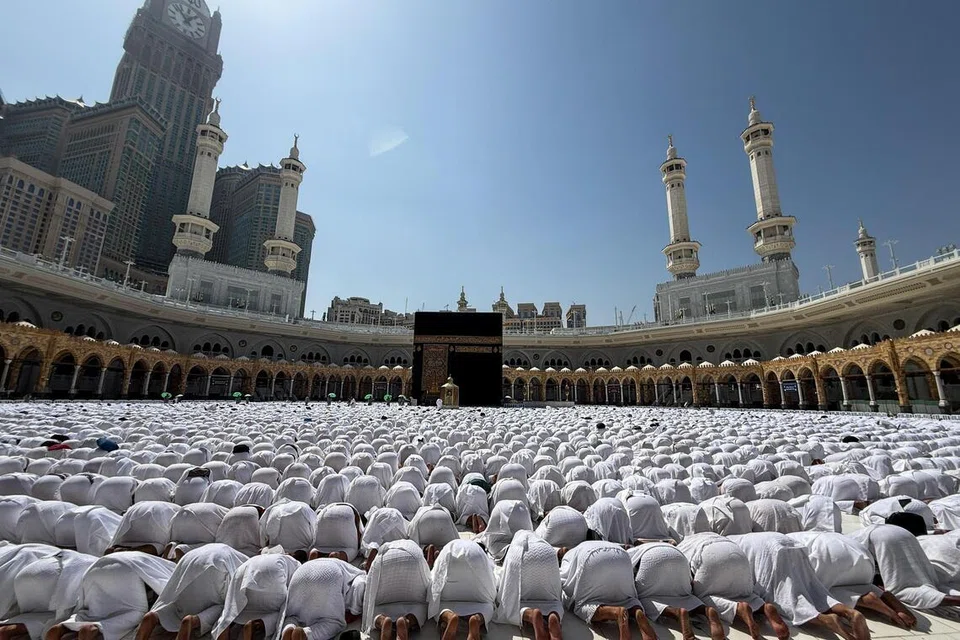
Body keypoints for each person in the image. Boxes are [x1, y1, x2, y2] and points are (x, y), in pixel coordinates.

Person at [732, 532, 870, 640]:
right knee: (815, 592)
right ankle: (848, 612)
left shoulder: (728, 544)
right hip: (790, 543)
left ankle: (825, 620)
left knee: (786, 601)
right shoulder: (738, 537)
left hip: (770, 550)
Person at [789, 531, 917, 629]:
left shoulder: (780, 542)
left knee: (815, 591)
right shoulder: (799, 534)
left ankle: (866, 600)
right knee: (848, 583)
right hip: (860, 553)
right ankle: (877, 594)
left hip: (825, 554)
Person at [678, 532, 788, 640]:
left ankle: (738, 608)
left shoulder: (683, 545)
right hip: (737, 555)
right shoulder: (711, 536)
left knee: (702, 596)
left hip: (710, 556)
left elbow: (684, 575)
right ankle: (762, 607)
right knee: (743, 593)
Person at [48, 552, 175, 640]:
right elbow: (167, 590)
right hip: (124, 569)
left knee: (94, 612)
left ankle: (62, 628)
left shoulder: (148, 558)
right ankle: (93, 628)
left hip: (96, 567)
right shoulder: (170, 568)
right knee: (133, 613)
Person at [134, 544, 247, 640]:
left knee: (174, 606)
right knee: (225, 608)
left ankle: (154, 616)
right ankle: (191, 621)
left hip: (190, 560)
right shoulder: (245, 563)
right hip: (217, 564)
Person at [559, 541, 656, 640]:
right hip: (621, 557)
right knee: (626, 599)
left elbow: (563, 582)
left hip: (592, 559)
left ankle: (616, 612)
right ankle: (636, 611)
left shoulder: (567, 556)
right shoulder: (588, 544)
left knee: (582, 606)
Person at [628, 542, 725, 640]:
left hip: (652, 559)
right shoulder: (674, 544)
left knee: (643, 599)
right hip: (679, 558)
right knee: (684, 596)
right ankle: (706, 610)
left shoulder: (634, 550)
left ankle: (677, 613)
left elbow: (626, 570)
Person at [212, 554, 301, 640]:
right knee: (288, 611)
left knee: (233, 610)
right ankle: (256, 624)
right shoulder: (299, 567)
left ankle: (226, 625)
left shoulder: (279, 557)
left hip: (244, 572)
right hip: (273, 574)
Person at [495, 531, 563, 640]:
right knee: (554, 600)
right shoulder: (541, 540)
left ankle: (531, 615)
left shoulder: (515, 546)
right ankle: (554, 615)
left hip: (522, 558)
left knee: (508, 606)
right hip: (547, 554)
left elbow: (504, 578)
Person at [278, 559, 365, 640]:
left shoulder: (337, 563)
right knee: (334, 623)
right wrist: (355, 611)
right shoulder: (360, 574)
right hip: (328, 576)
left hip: (301, 573)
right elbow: (360, 585)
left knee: (294, 616)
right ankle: (305, 634)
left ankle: (288, 628)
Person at [362, 540, 431, 640]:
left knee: (375, 609)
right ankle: (407, 622)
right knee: (420, 606)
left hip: (383, 561)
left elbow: (370, 587)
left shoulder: (384, 547)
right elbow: (427, 580)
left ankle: (382, 621)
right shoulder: (412, 544)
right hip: (412, 559)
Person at [428, 540, 496, 640]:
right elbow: (492, 583)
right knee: (488, 605)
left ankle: (449, 617)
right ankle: (476, 620)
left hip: (450, 565)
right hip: (475, 562)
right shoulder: (480, 554)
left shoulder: (450, 546)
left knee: (438, 605)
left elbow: (435, 580)